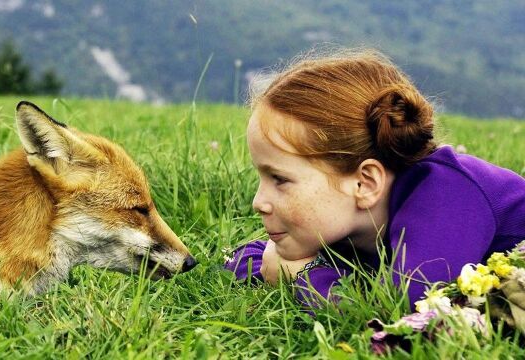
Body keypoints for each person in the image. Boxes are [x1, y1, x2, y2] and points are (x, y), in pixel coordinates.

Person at [223, 49, 525, 310]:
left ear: (365, 183)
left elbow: (405, 307)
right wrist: (280, 265)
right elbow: (249, 258)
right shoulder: (347, 222)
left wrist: (302, 277)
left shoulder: (447, 195)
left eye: (280, 179)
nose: (258, 202)